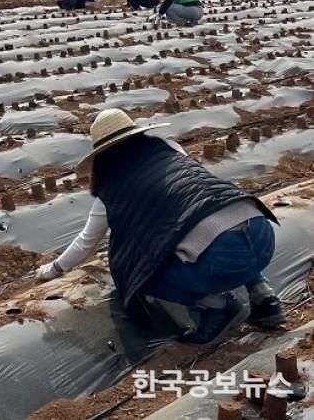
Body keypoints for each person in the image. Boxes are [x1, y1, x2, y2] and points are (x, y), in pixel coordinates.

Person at [36, 109, 284, 345]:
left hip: (220, 261)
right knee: (219, 224)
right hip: (262, 232)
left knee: (139, 273)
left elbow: (87, 242)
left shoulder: (111, 189)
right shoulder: (169, 149)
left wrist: (54, 268)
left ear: (101, 155)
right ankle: (264, 295)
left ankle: (218, 307)